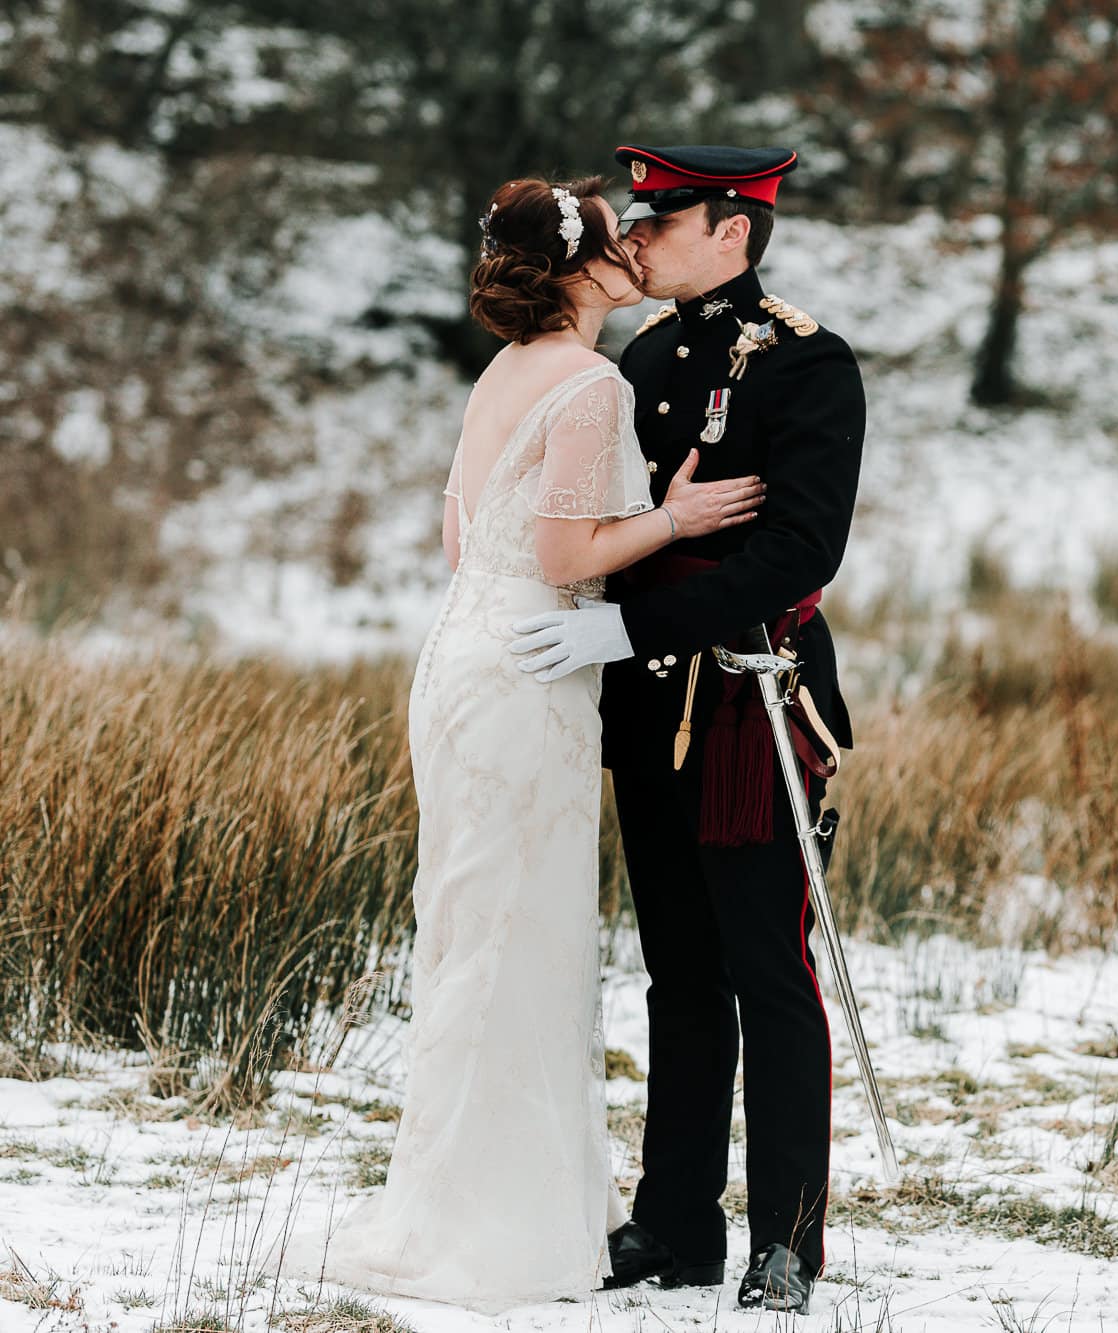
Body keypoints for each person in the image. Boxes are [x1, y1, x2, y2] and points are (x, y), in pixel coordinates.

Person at [279, 175, 764, 1314]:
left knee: (471, 923)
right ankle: (489, 1220)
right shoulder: (589, 382)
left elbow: (465, 535)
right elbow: (560, 558)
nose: (636, 244)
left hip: (462, 659)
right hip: (530, 670)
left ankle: (479, 1191)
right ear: (584, 267)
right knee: (516, 932)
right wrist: (678, 519)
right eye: (617, 234)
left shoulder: (502, 372)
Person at [507, 144, 866, 1315]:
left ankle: (787, 1242)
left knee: (769, 968)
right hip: (650, 701)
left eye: (662, 221)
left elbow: (798, 549)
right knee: (676, 972)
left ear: (733, 231)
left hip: (749, 694)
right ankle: (674, 1222)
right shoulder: (647, 353)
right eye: (640, 220)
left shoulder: (809, 365)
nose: (639, 240)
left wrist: (631, 626)